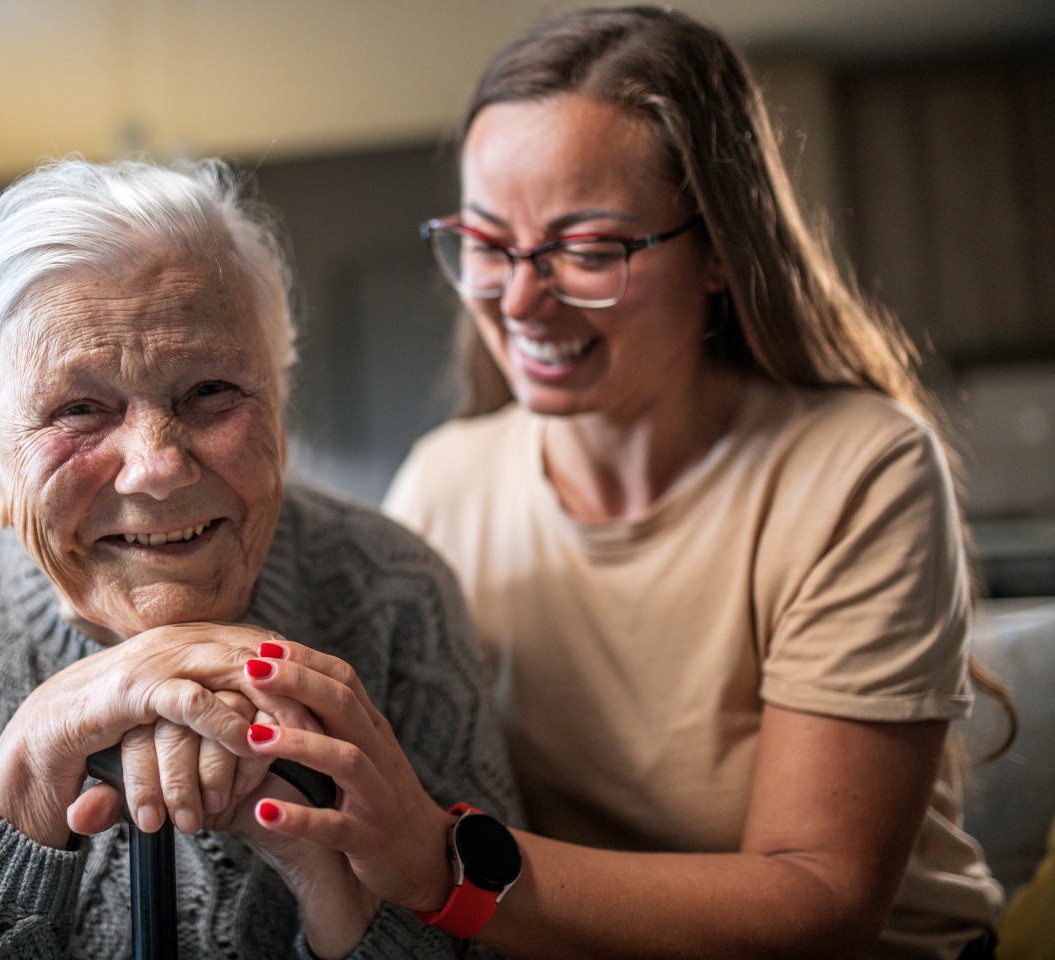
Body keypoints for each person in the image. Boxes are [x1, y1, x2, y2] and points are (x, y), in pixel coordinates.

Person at [242, 7, 1011, 959]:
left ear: (724, 250)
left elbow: (822, 903)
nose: (520, 300)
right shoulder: (447, 478)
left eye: (590, 248)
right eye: (487, 242)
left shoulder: (861, 469)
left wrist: (446, 862)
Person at [0, 158, 520, 960]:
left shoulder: (392, 588)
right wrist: (28, 771)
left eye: (210, 392)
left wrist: (332, 883)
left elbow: (504, 941)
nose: (156, 466)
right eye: (77, 410)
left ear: (279, 403)